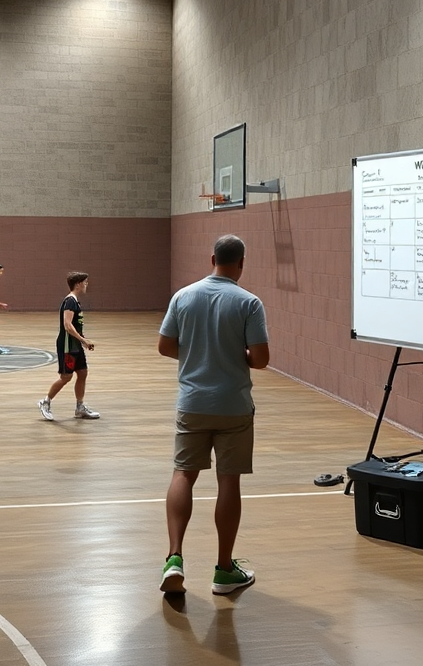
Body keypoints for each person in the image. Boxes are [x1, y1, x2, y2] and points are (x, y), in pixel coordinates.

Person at [156, 234, 269, 596]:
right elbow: (261, 359)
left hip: (192, 403)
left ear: (211, 259)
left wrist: (196, 359)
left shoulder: (183, 296)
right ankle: (223, 571)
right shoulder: (250, 303)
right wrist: (235, 358)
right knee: (228, 481)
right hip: (233, 406)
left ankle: (174, 558)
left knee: (183, 475)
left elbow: (165, 346)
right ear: (242, 262)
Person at [38, 272, 99, 421]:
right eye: (85, 282)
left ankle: (80, 407)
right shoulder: (70, 301)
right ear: (78, 284)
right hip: (67, 346)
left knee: (83, 373)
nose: (86, 285)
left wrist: (81, 341)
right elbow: (67, 325)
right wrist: (83, 340)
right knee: (66, 377)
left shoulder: (75, 301)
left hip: (75, 345)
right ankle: (45, 402)